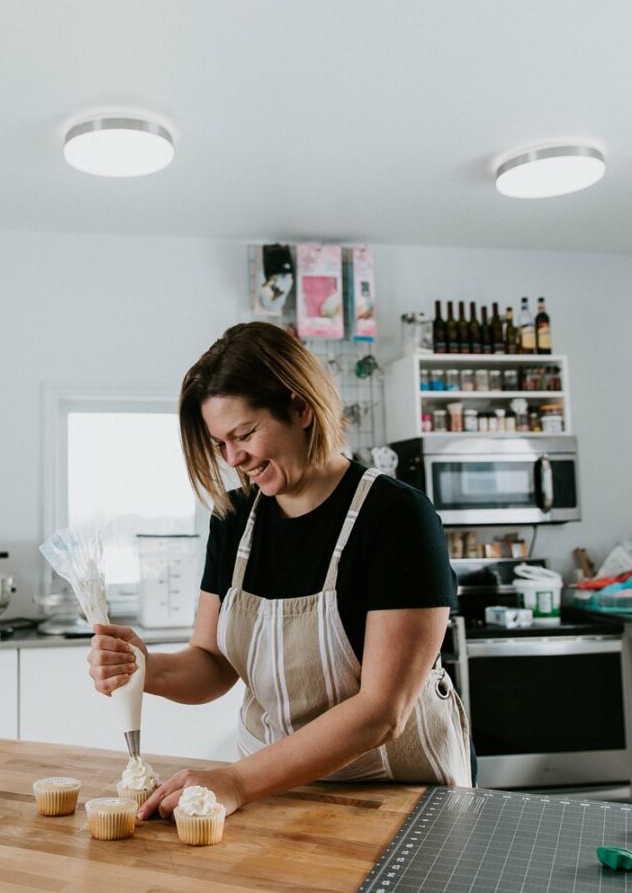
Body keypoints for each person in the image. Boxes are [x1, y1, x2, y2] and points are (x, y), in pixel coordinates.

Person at [88, 321, 472, 822]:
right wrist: (145, 668)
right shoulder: (232, 519)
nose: (234, 458)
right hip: (275, 793)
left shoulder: (397, 517)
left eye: (245, 434)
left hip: (394, 797)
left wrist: (236, 781)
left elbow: (383, 711)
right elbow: (212, 662)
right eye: (220, 444)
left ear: (301, 408)